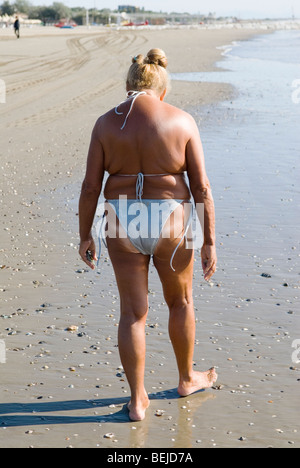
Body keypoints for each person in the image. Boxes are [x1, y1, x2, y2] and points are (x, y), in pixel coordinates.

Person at [79, 48, 218, 421]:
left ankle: (138, 399)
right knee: (182, 303)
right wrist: (208, 241)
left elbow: (91, 187)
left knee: (133, 314)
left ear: (127, 86)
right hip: (174, 221)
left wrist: (85, 236)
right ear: (163, 90)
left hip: (121, 220)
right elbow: (202, 188)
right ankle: (187, 378)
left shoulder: (105, 124)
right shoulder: (183, 121)